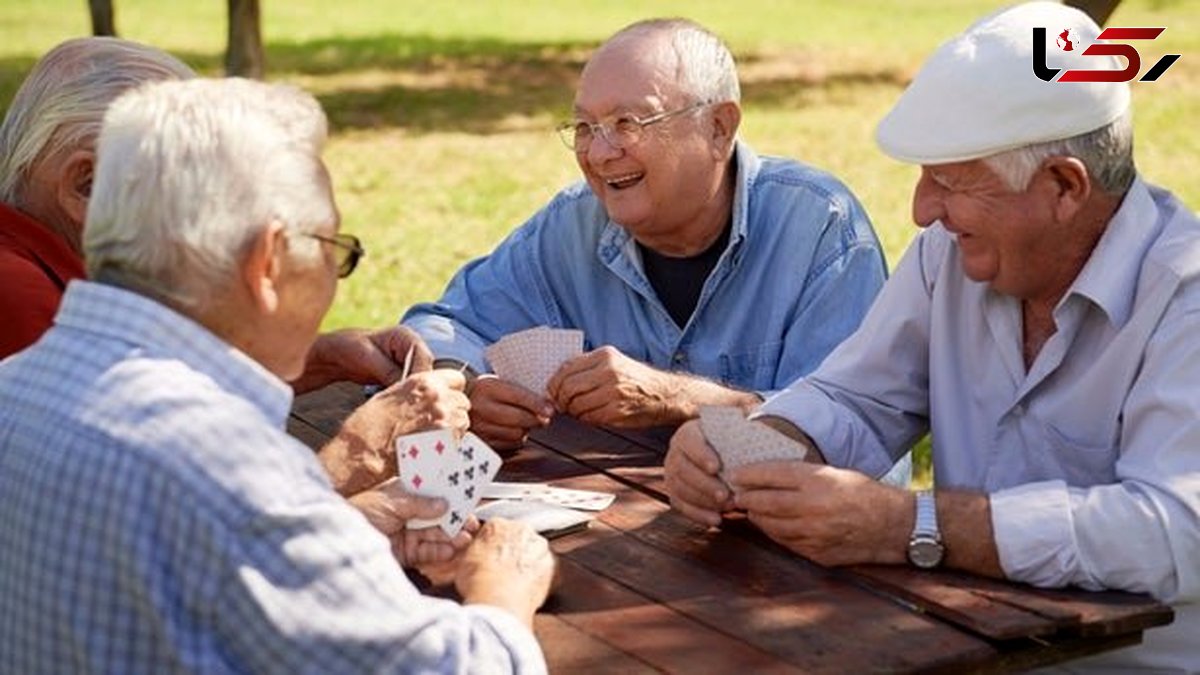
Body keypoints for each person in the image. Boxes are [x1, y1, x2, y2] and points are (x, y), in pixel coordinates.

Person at [664, 3, 1198, 670]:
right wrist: (749, 445)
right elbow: (857, 396)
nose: (921, 210)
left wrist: (911, 525)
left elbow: (1175, 531)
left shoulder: (1187, 296)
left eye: (948, 181)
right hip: (965, 650)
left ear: (1064, 187)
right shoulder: (949, 254)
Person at [0, 78, 553, 671]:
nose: (333, 279)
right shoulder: (230, 463)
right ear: (267, 263)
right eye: (332, 249)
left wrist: (346, 529)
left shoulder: (17, 384)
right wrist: (503, 585)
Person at [402, 18, 890, 454]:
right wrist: (467, 386)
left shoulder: (820, 229)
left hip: (770, 542)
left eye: (626, 124)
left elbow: (850, 440)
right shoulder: (573, 225)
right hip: (614, 542)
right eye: (585, 127)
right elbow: (440, 326)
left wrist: (678, 399)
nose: (597, 153)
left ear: (719, 128)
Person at [0, 36, 430, 395]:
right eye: (190, 178)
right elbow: (164, 454)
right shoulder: (22, 297)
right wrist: (361, 454)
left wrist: (319, 358)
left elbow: (173, 382)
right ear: (85, 186)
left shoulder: (60, 271)